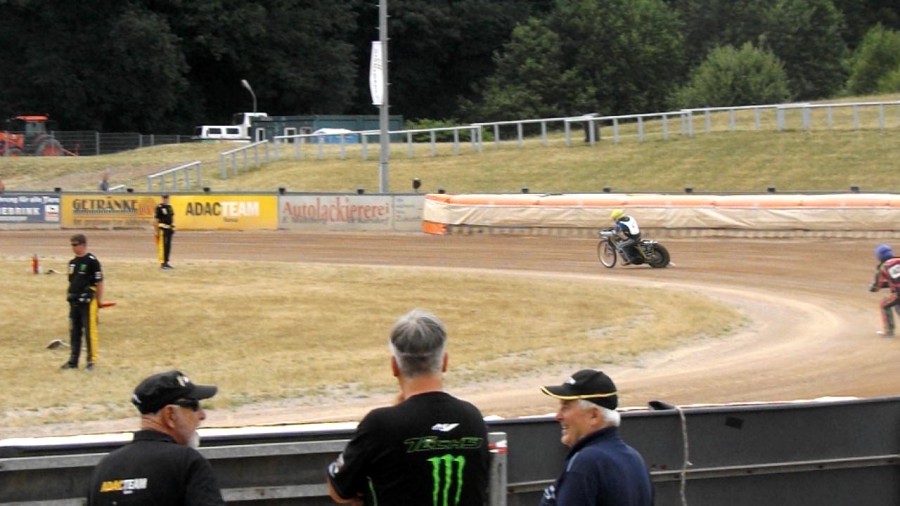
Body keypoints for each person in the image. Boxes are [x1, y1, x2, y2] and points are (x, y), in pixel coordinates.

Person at [326, 309, 490, 505]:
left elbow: (339, 490)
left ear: (394, 366)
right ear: (445, 362)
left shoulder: (380, 425)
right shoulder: (472, 418)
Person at [87, 370, 224, 505]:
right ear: (170, 414)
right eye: (194, 405)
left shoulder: (104, 468)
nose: (202, 415)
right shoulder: (188, 462)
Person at [539, 369, 653, 506]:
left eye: (566, 407)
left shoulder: (585, 463)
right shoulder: (635, 459)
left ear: (594, 416)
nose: (558, 416)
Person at [62, 233, 104, 370]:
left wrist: (99, 301)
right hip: (74, 301)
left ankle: (91, 361)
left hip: (87, 301)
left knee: (90, 332)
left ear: (83, 245)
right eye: (72, 245)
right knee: (74, 332)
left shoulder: (92, 261)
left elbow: (99, 282)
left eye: (75, 245)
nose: (73, 248)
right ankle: (73, 361)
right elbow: (72, 281)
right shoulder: (72, 263)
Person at [869, 243, 900, 337]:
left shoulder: (883, 267)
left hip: (898, 293)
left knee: (884, 304)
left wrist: (872, 288)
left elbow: (877, 286)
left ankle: (889, 331)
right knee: (897, 305)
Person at [154, 194, 175, 269]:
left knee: (168, 246)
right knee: (162, 246)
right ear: (162, 199)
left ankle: (166, 262)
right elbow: (156, 220)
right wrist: (156, 231)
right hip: (162, 229)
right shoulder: (159, 207)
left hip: (169, 229)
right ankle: (162, 263)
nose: (165, 199)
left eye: (166, 198)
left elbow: (172, 217)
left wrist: (173, 227)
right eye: (164, 198)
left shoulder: (170, 207)